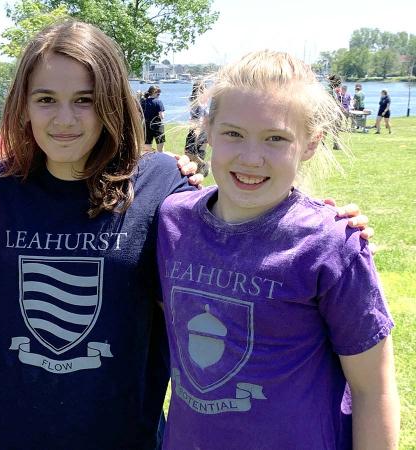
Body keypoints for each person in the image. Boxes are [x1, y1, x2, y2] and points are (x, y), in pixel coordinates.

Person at [156, 50, 399, 449]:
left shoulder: (330, 243)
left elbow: (374, 388)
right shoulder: (171, 221)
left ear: (310, 144)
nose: (252, 158)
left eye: (276, 138)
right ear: (207, 129)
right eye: (233, 133)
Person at [0, 20, 191, 449]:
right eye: (45, 99)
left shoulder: (159, 181)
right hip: (17, 431)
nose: (64, 119)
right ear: (22, 105)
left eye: (85, 100)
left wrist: (323, 222)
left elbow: (232, 239)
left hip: (122, 431)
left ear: (113, 102)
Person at [184, 80, 209, 176]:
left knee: (192, 153)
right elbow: (205, 115)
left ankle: (201, 167)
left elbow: (201, 115)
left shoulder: (198, 100)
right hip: (200, 128)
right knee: (196, 152)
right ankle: (201, 168)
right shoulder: (201, 100)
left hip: (198, 128)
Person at [141, 85, 165, 152]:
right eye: (158, 93)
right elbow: (162, 116)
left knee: (147, 149)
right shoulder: (158, 102)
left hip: (146, 126)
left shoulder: (143, 102)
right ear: (154, 92)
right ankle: (159, 159)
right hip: (157, 125)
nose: (159, 95)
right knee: (160, 150)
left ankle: (151, 157)